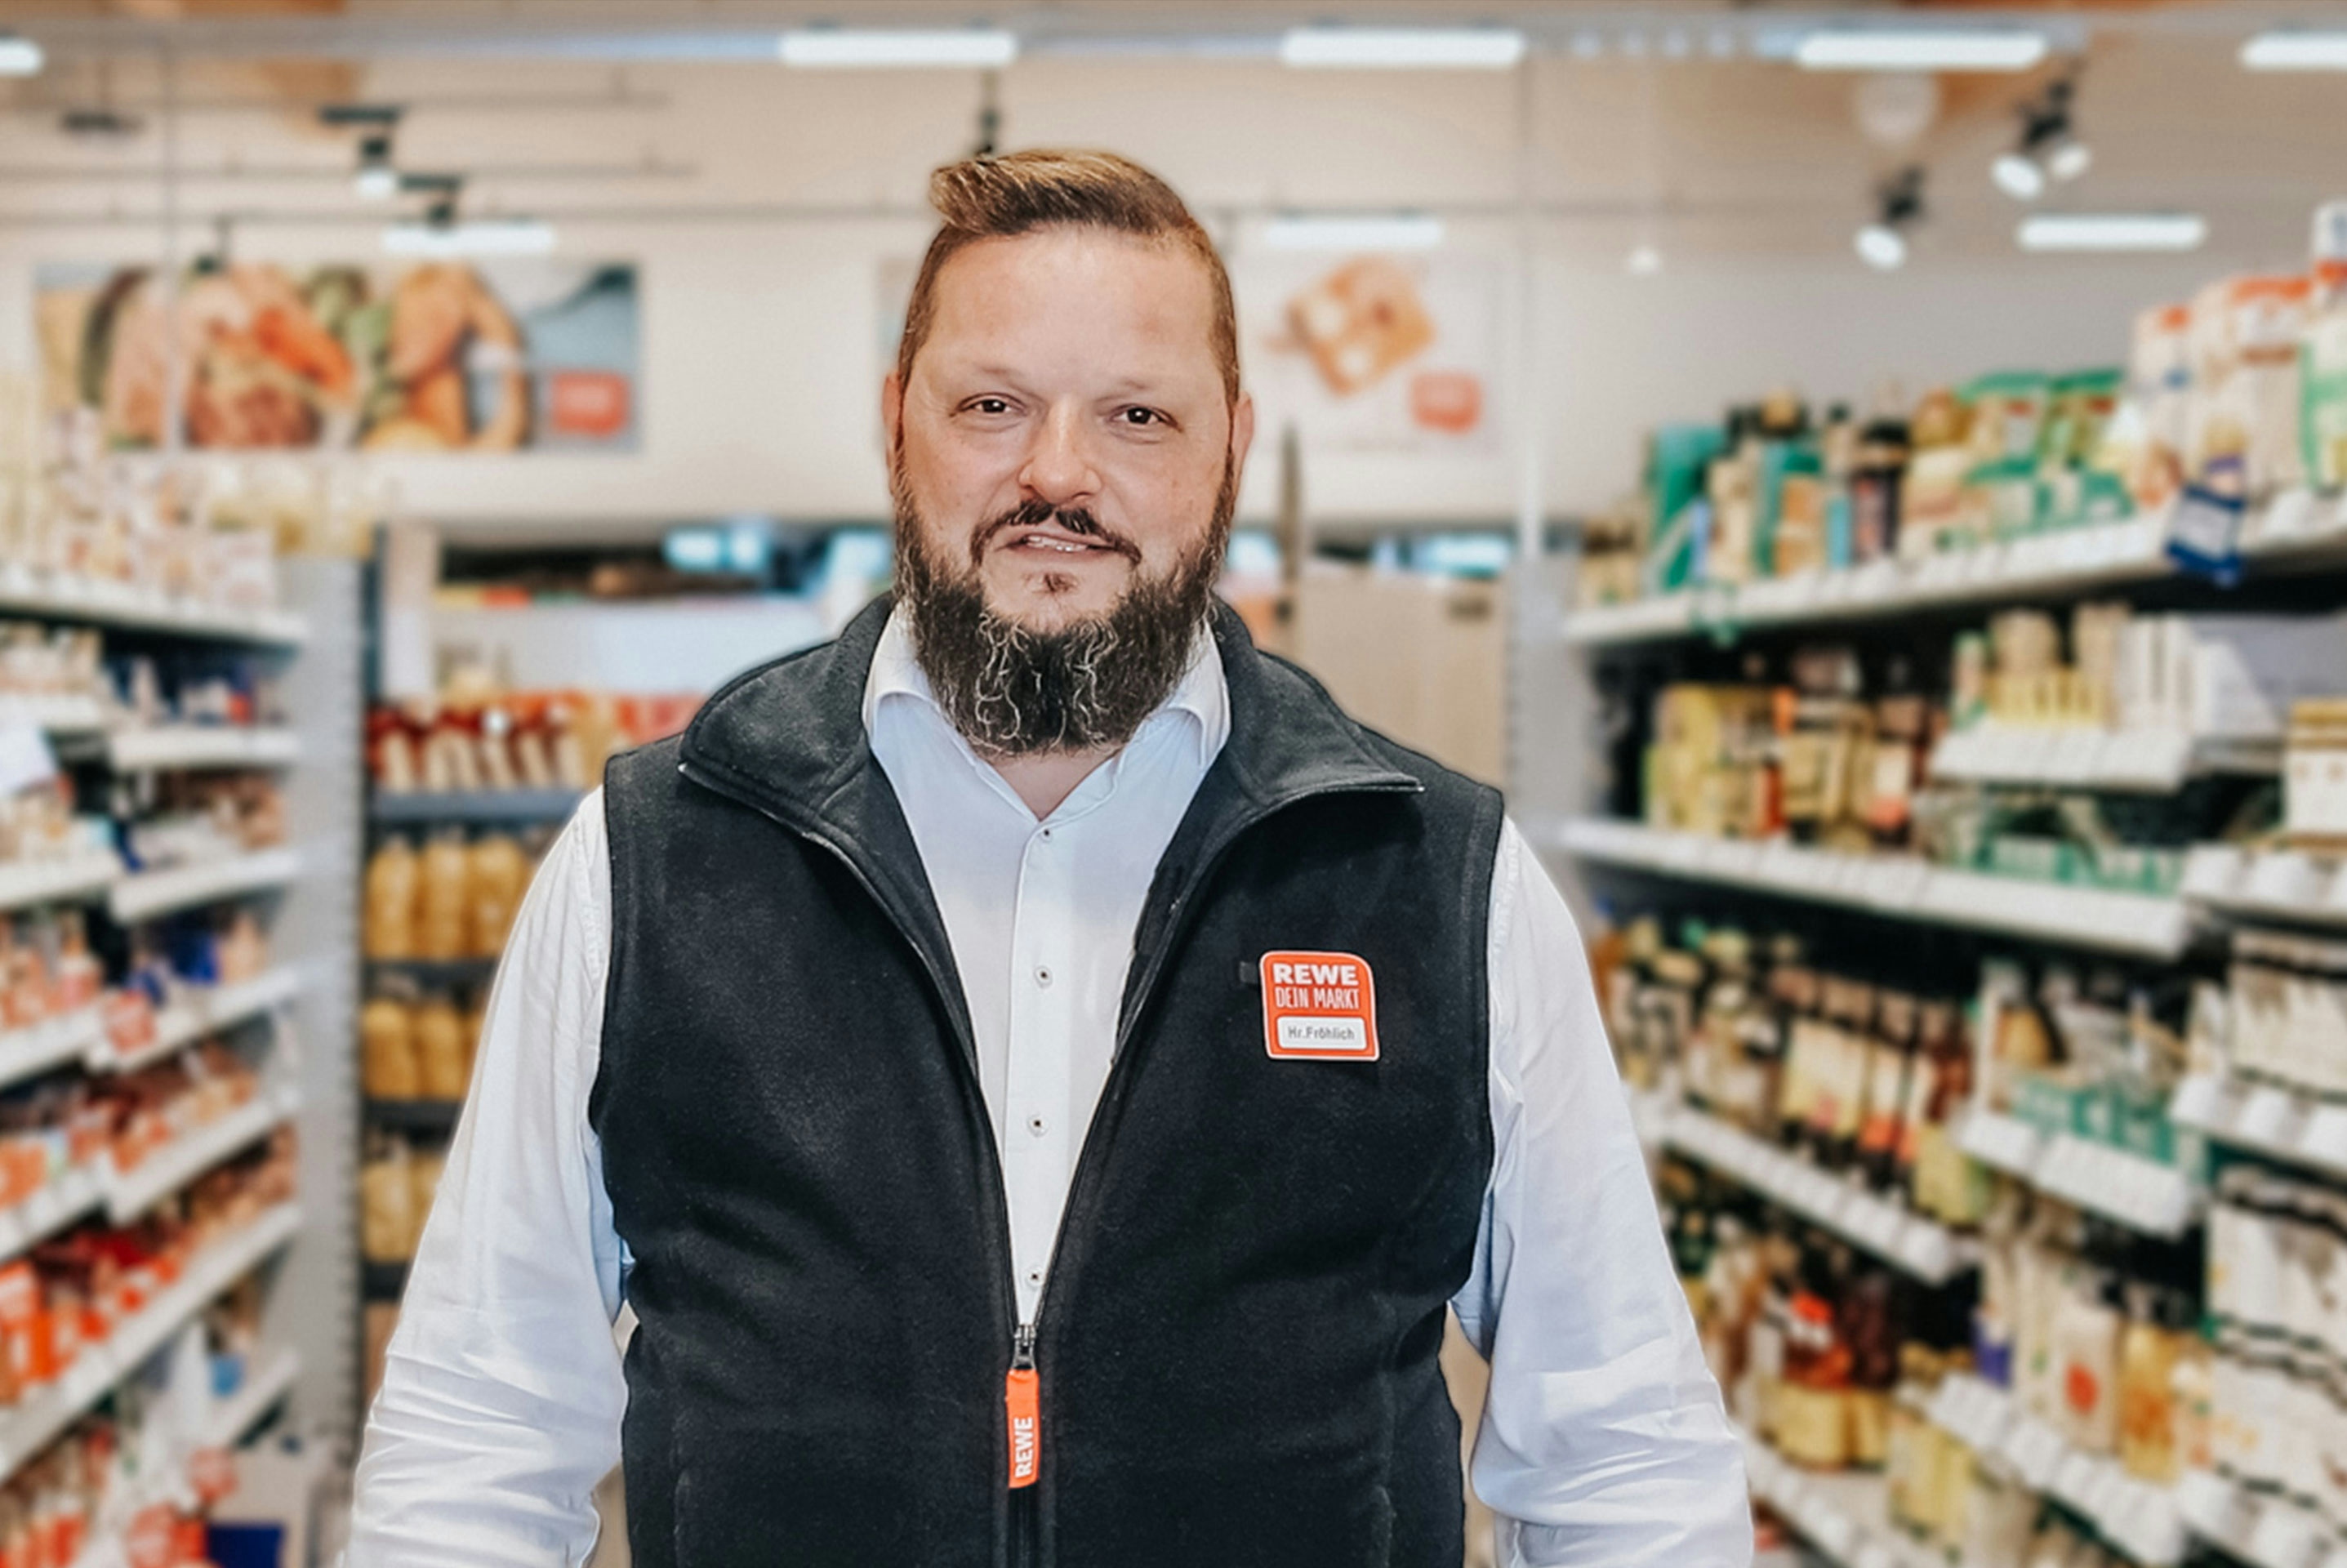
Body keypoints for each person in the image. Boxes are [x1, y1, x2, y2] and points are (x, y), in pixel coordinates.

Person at [346, 148, 1749, 1568]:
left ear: (1230, 450)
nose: (1057, 473)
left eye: (1137, 414)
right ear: (898, 426)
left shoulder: (1437, 877)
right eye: (992, 406)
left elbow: (1620, 1453)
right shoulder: (653, 857)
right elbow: (480, 1427)